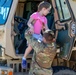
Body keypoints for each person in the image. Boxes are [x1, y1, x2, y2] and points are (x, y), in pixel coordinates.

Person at [22, 1, 52, 69]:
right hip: (32, 35)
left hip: (38, 36)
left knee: (43, 46)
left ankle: (39, 62)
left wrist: (49, 33)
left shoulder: (45, 19)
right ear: (43, 9)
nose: (48, 12)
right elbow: (28, 23)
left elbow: (46, 28)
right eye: (48, 10)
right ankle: (24, 58)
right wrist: (31, 27)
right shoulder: (35, 15)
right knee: (30, 47)